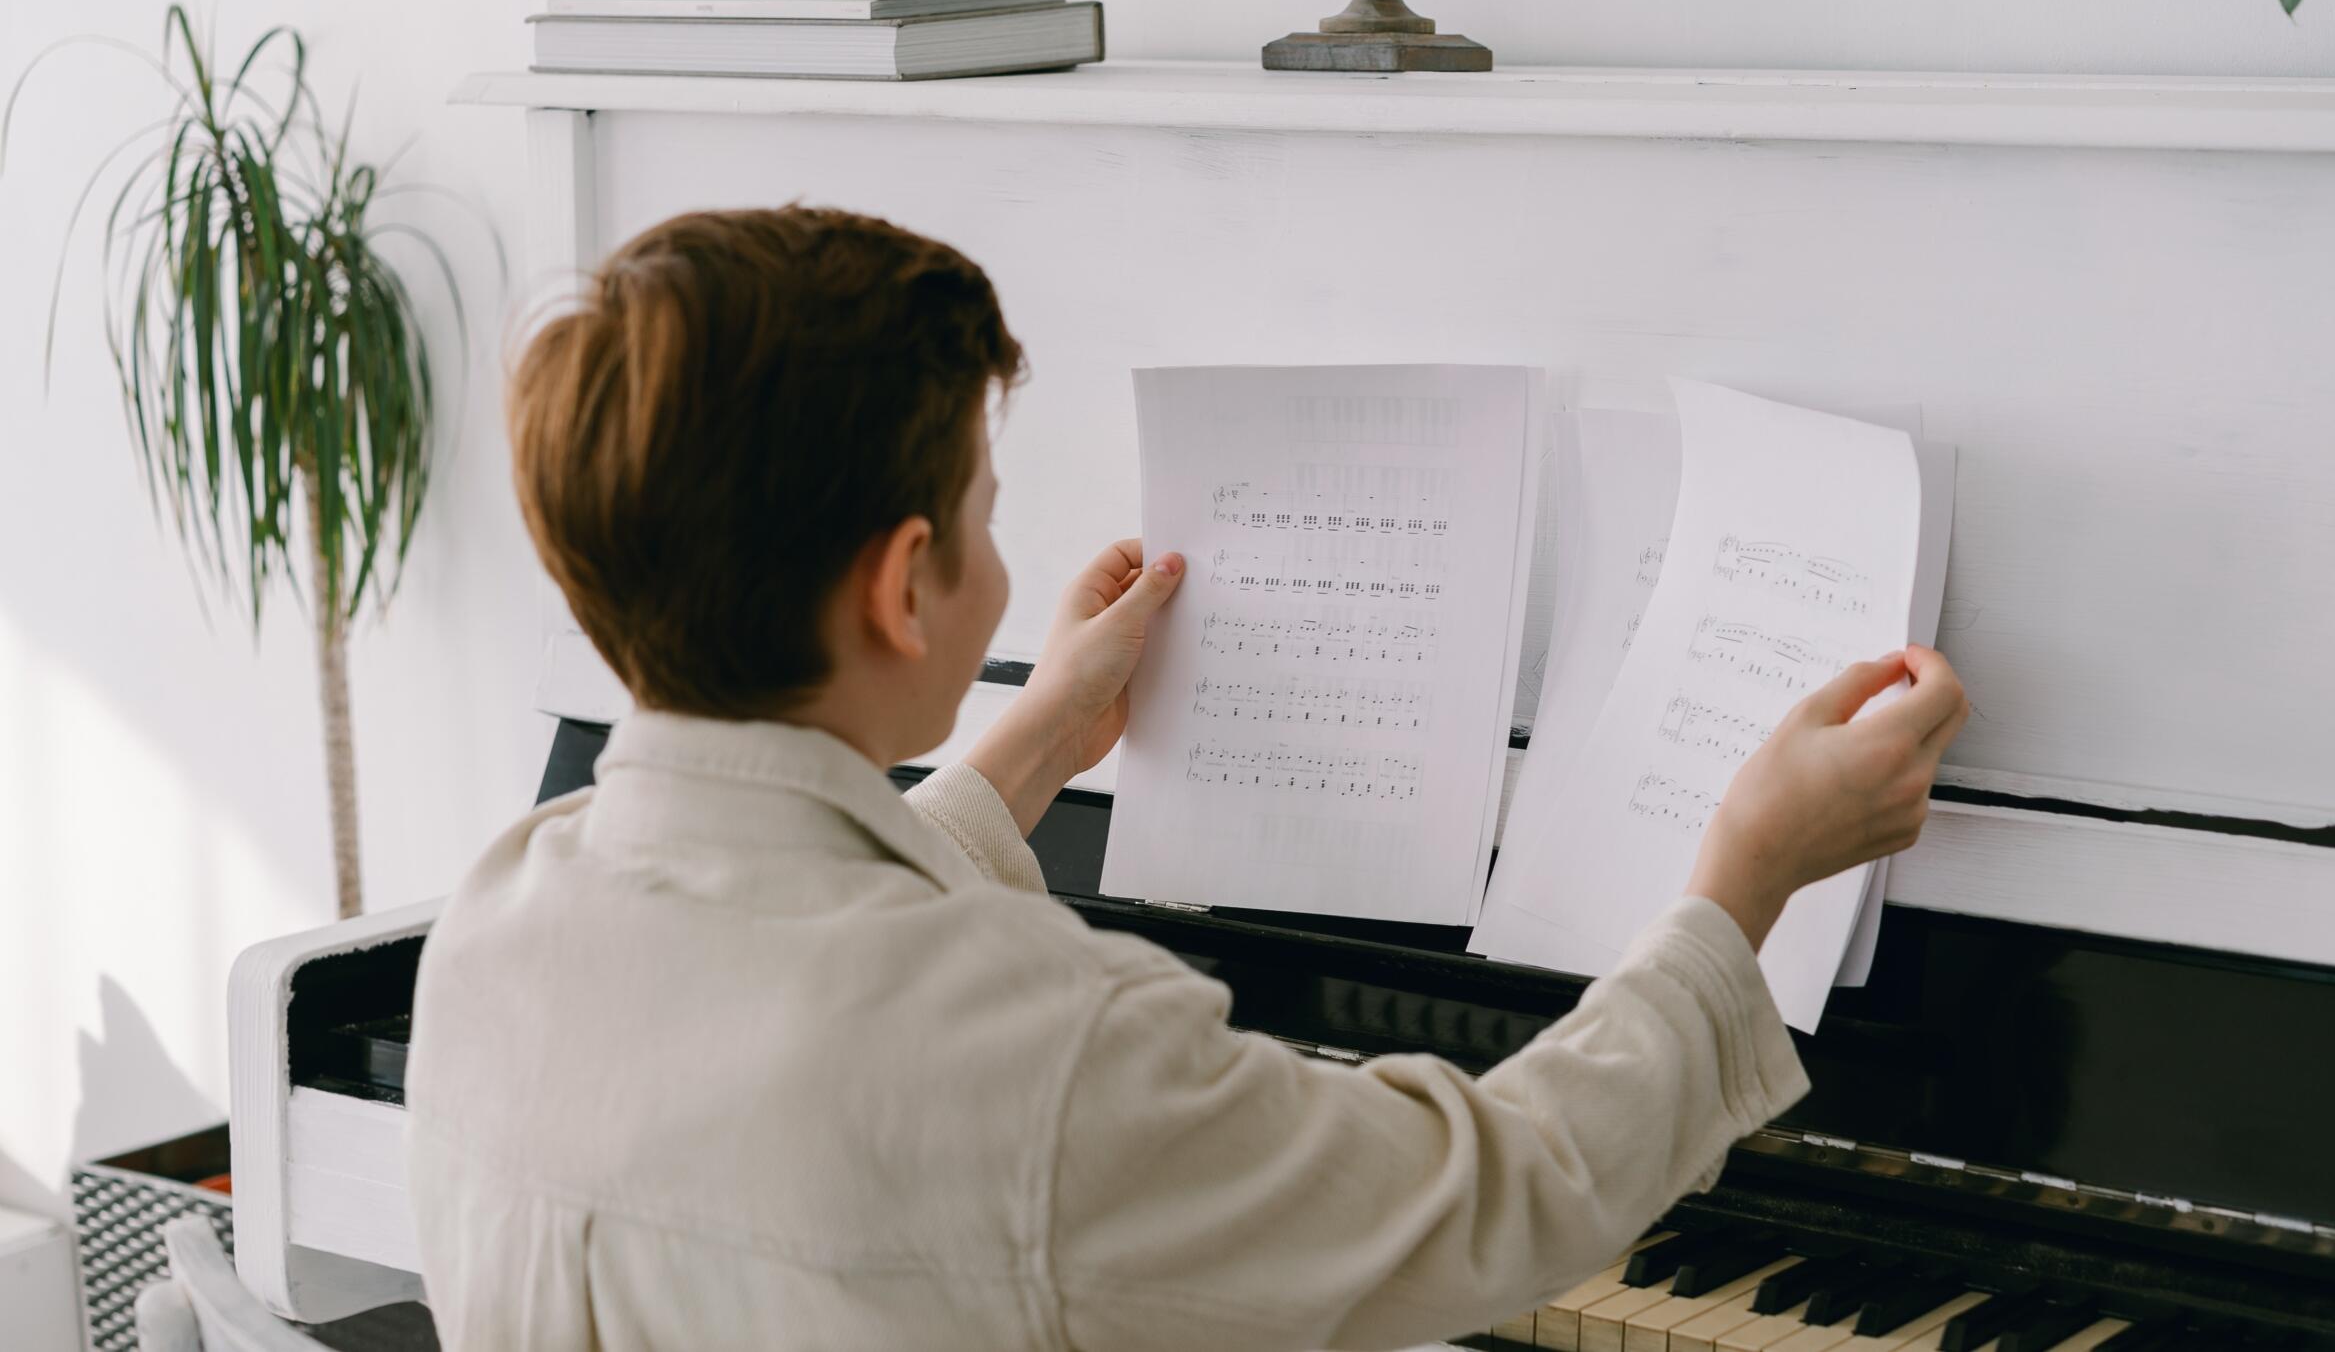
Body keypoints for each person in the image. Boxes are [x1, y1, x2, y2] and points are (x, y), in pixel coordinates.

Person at [407, 204, 1970, 1352]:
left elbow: (799, 935)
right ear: (904, 585)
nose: (1002, 553)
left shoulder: (499, 925)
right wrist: (1743, 877)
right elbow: (1500, 1197)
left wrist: (1031, 745)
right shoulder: (1034, 1043)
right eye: (984, 506)